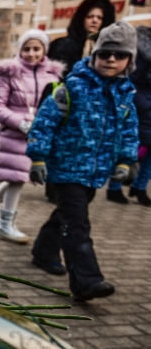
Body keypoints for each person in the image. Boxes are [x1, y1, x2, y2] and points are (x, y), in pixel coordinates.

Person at [27, 22, 139, 301]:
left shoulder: (126, 95)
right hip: (66, 168)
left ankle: (43, 251)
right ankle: (86, 281)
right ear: (94, 54)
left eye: (119, 54)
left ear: (130, 60)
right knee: (77, 223)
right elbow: (45, 122)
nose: (111, 59)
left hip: (95, 172)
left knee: (66, 215)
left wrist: (126, 161)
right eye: (105, 53)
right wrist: (38, 157)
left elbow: (129, 130)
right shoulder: (73, 87)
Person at [0, 30, 65, 244]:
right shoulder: (8, 73)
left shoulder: (52, 77)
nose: (31, 53)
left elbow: (54, 105)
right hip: (13, 134)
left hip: (39, 135)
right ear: (20, 50)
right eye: (26, 49)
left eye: (36, 48)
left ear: (44, 50)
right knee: (18, 177)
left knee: (21, 175)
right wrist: (20, 122)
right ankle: (5, 225)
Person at [44, 0, 115, 203]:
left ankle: (76, 186)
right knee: (60, 144)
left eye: (99, 18)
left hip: (93, 106)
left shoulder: (105, 50)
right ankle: (54, 187)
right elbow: (53, 78)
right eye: (90, 16)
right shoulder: (64, 44)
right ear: (82, 18)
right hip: (66, 101)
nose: (94, 21)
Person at [105, 25, 151, 206]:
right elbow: (131, 75)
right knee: (128, 145)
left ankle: (140, 187)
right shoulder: (140, 44)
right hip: (140, 104)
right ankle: (114, 187)